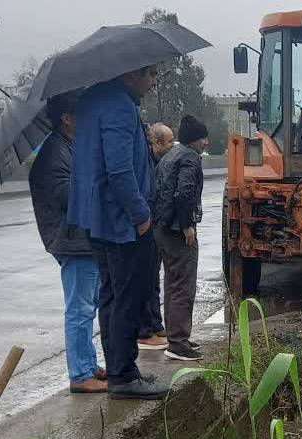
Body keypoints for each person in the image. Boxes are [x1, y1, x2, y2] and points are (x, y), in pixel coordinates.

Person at [68, 65, 168, 400]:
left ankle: (119, 371)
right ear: (130, 73)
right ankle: (124, 375)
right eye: (150, 73)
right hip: (121, 223)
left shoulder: (93, 99)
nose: (154, 81)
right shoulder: (119, 105)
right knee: (129, 297)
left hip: (99, 219)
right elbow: (120, 168)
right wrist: (140, 215)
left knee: (111, 297)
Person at [28, 91, 107, 394]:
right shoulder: (53, 154)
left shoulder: (68, 147)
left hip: (82, 240)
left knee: (88, 305)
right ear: (66, 119)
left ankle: (88, 364)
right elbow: (65, 196)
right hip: (72, 241)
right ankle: (79, 374)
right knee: (79, 308)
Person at [153, 115, 208, 361]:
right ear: (195, 140)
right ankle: (178, 344)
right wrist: (187, 225)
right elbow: (184, 193)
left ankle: (176, 337)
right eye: (203, 138)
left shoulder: (170, 155)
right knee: (183, 287)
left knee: (171, 284)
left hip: (162, 229)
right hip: (177, 232)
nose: (206, 142)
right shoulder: (189, 157)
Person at [136, 123, 174, 350]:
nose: (172, 146)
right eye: (169, 142)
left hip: (154, 227)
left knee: (153, 280)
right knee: (145, 280)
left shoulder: (158, 161)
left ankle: (155, 324)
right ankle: (144, 330)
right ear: (156, 142)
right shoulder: (145, 162)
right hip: (145, 227)